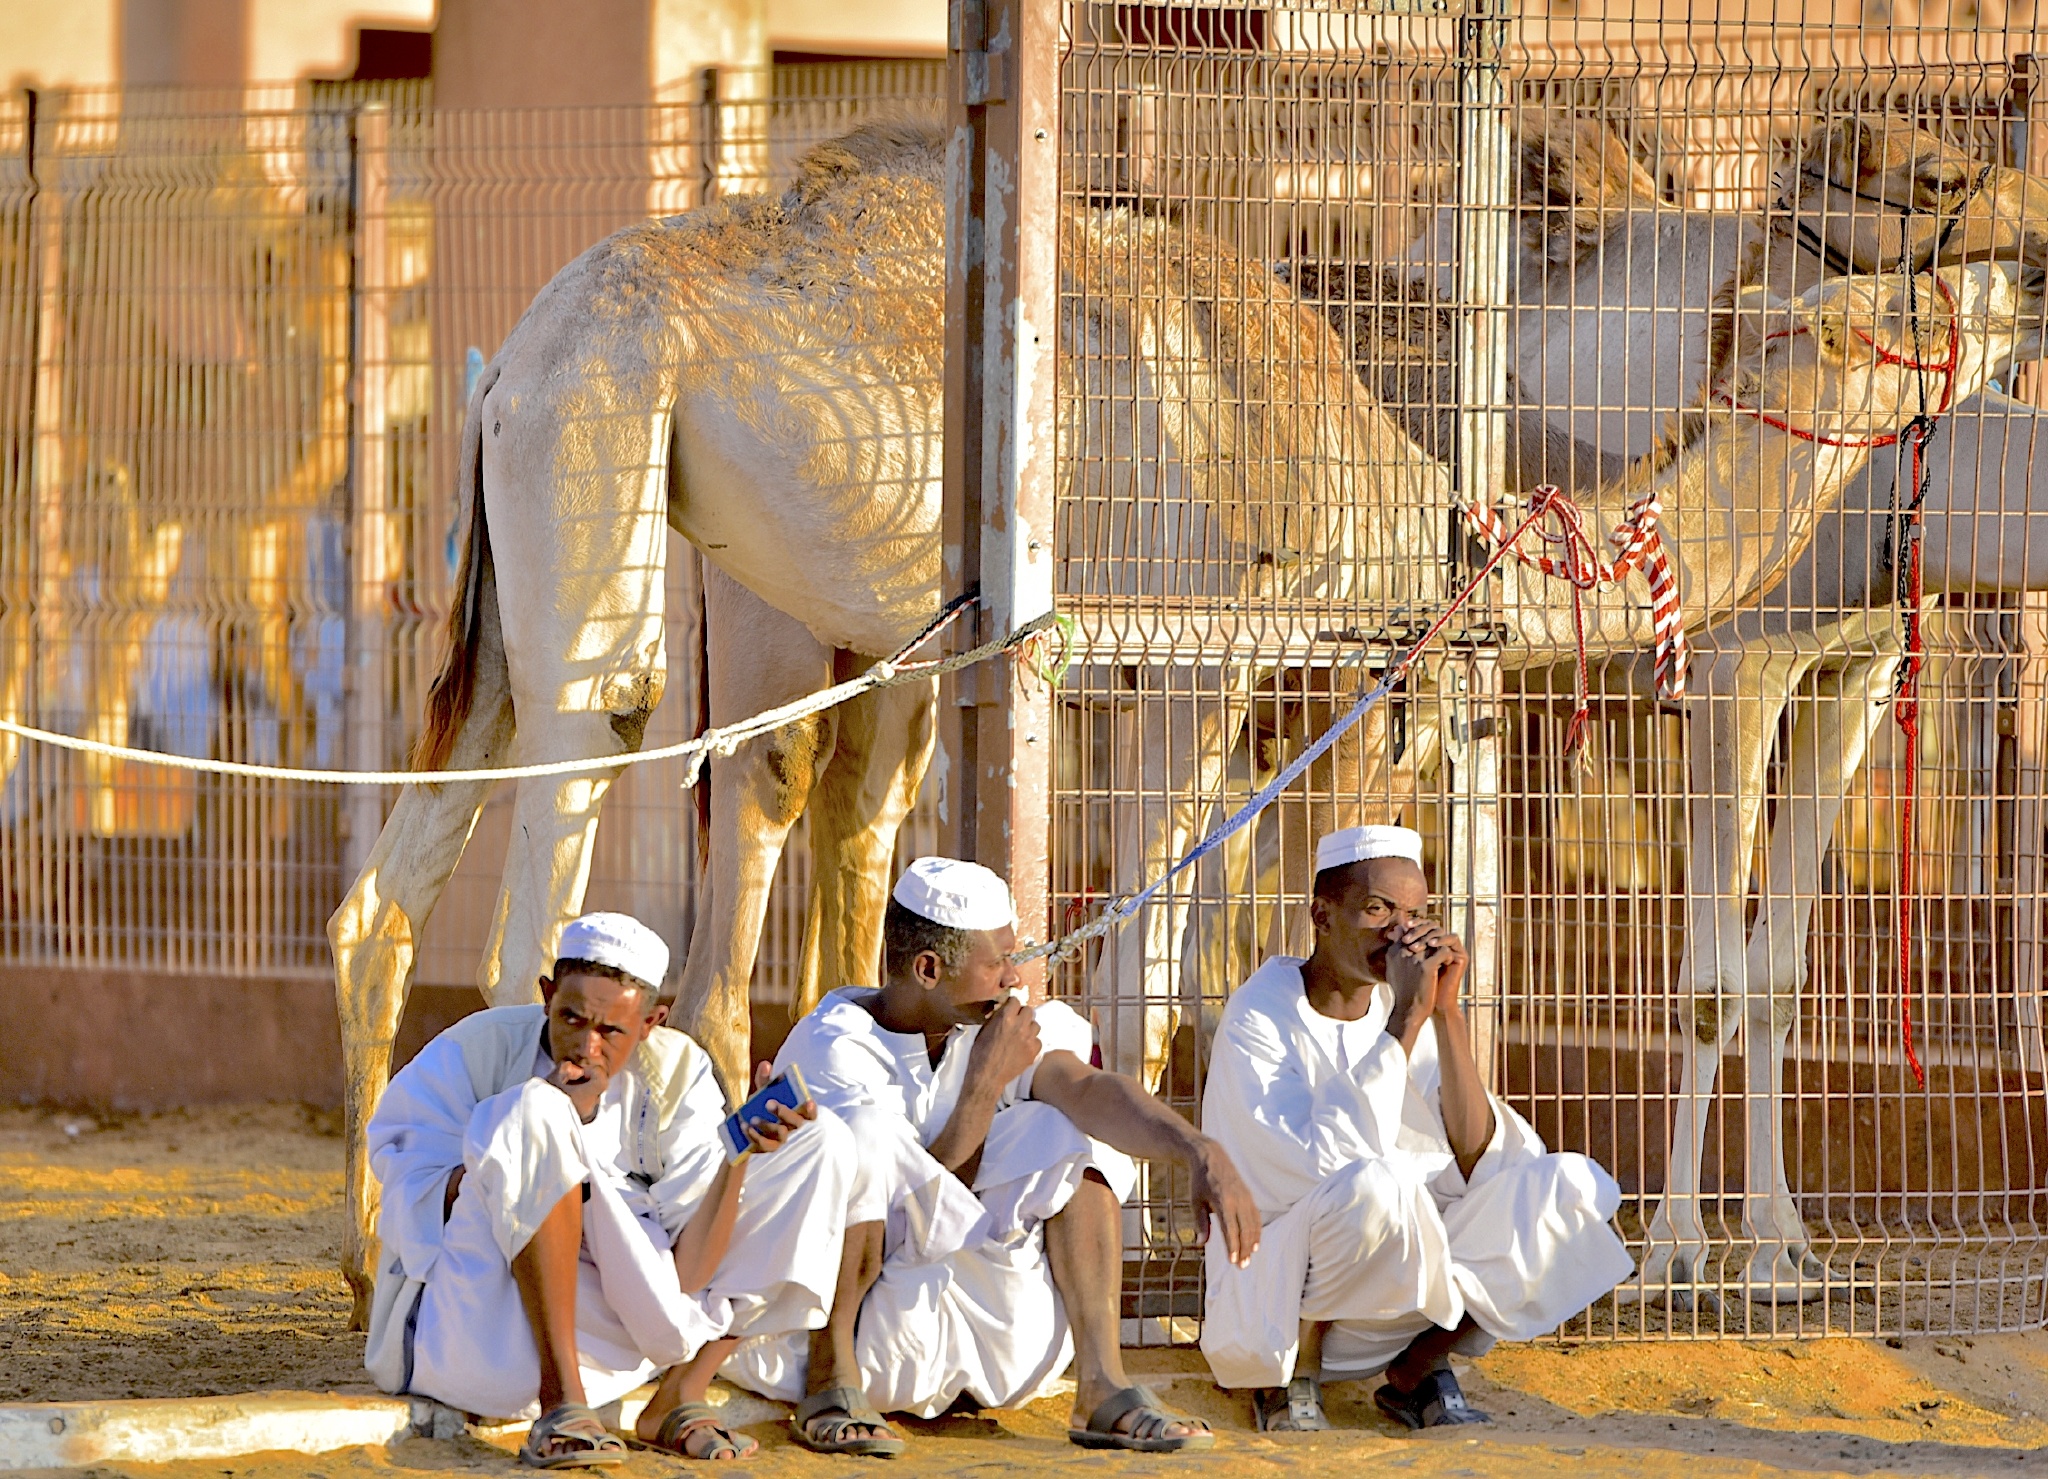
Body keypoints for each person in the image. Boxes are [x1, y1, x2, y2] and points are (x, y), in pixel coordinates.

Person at [724, 856, 1262, 1455]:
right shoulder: (835, 1046)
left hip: (988, 1326)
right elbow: (902, 1216)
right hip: (860, 1319)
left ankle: (1101, 1385)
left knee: (1062, 1129)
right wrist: (984, 1083)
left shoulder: (985, 1026)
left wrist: (1196, 1148)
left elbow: (1086, 1089)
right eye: (997, 963)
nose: (1014, 977)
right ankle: (828, 1383)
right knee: (867, 1139)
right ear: (928, 969)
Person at [364, 911, 858, 1467]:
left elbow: (689, 1273)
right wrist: (527, 1155)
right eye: (570, 1017)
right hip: (477, 1326)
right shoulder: (478, 1047)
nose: (585, 1045)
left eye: (611, 1032)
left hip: (627, 1332)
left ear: (651, 1023)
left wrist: (739, 1159)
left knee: (823, 1142)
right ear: (547, 995)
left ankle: (679, 1393)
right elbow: (410, 1178)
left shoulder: (677, 1072)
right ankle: (562, 1403)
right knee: (533, 1111)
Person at [1199, 825, 1633, 1433]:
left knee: (1570, 1187)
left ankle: (1414, 1371)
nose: (1401, 933)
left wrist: (1446, 1012)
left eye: (1415, 913)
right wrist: (1405, 1016)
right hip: (1286, 1303)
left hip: (1403, 1298)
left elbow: (1484, 1157)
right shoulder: (1261, 1016)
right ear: (1321, 915)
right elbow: (1312, 1171)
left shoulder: (1404, 1004)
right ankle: (1293, 1376)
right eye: (1378, 910)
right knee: (1376, 1187)